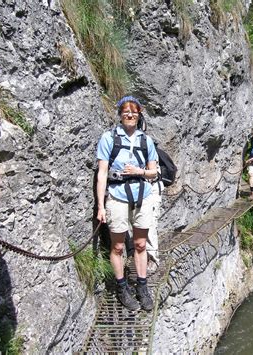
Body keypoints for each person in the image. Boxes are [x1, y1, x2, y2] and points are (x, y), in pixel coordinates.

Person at [96, 95, 158, 311]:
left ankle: (142, 287)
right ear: (120, 115)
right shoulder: (108, 138)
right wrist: (101, 206)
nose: (130, 114)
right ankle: (122, 288)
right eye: (125, 111)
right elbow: (102, 173)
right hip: (117, 196)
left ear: (139, 115)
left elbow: (153, 172)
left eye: (133, 111)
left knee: (141, 244)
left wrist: (138, 171)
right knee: (118, 245)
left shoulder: (145, 141)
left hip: (142, 195)